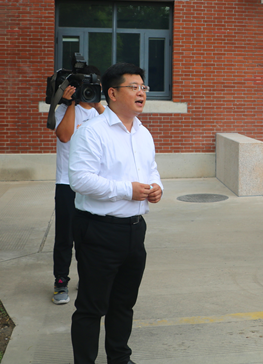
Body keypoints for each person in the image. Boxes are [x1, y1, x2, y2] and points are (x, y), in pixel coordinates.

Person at [68, 63, 163, 364]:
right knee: (91, 307)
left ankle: (119, 358)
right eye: (133, 87)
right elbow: (79, 180)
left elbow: (151, 171)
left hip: (135, 230)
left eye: (143, 88)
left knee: (124, 304)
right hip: (99, 231)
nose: (141, 93)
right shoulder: (92, 131)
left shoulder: (143, 133)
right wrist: (127, 190)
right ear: (112, 93)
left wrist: (157, 187)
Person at [51, 66, 105, 305]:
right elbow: (64, 136)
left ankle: (88, 278)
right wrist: (71, 102)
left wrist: (97, 102)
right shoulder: (64, 109)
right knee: (65, 236)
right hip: (67, 183)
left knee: (90, 237)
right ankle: (61, 281)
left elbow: (117, 127)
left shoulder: (99, 113)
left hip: (93, 183)